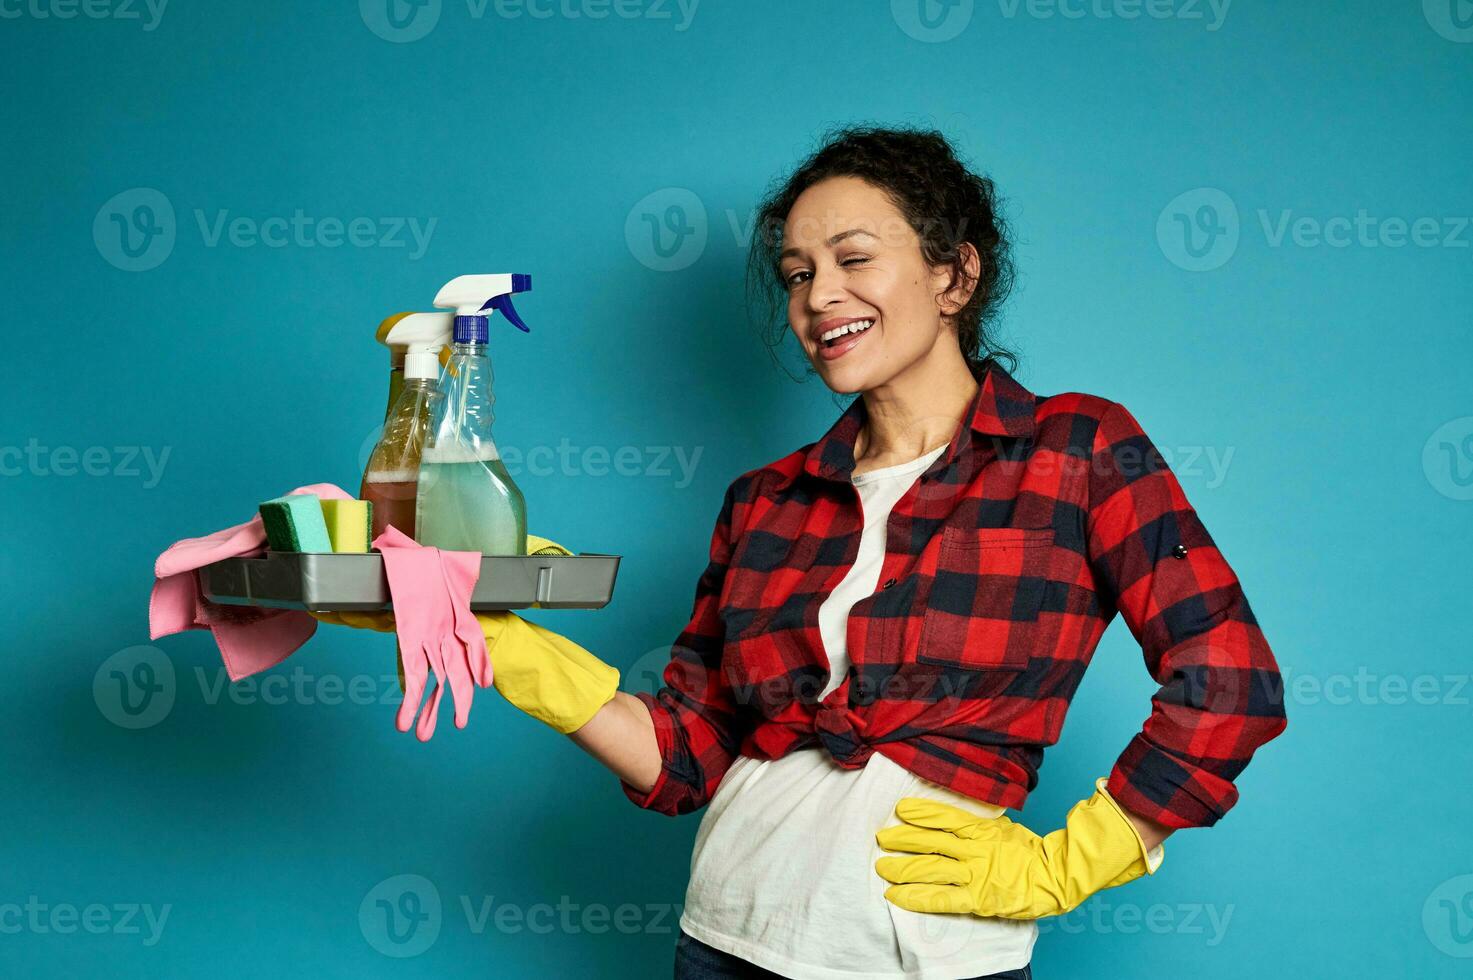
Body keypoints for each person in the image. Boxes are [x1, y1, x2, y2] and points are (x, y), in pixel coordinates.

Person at [318, 126, 1289, 980]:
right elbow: (687, 753)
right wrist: (513, 648)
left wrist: (1074, 858)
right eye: (796, 273)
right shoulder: (766, 501)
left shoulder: (1078, 451)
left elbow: (1230, 676)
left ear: (955, 274)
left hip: (929, 954)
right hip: (723, 933)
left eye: (853, 259)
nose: (820, 295)